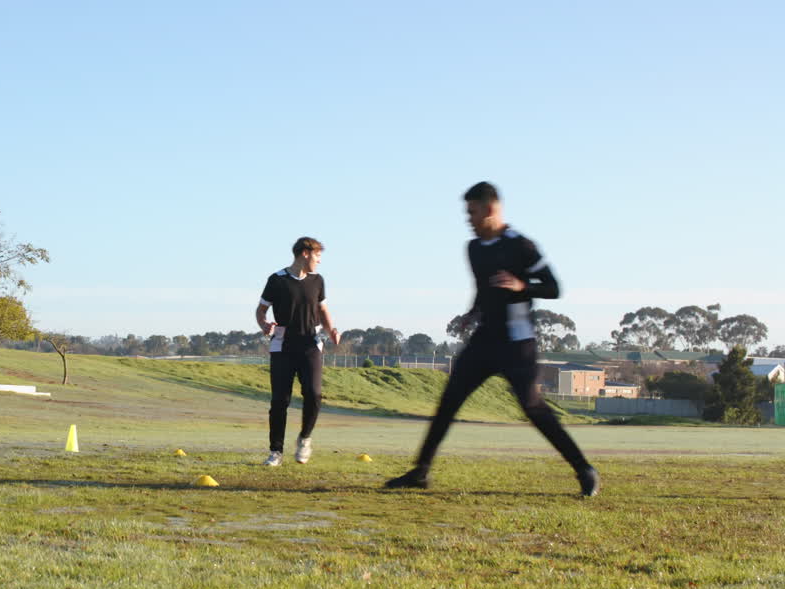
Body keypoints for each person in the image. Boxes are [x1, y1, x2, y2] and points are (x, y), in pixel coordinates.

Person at [385, 182, 600, 496]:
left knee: (532, 407)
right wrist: (471, 313)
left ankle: (585, 470)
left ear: (489, 209)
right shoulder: (473, 248)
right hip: (484, 341)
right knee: (448, 402)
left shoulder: (522, 246)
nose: (468, 218)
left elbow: (554, 288)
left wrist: (521, 286)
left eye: (472, 212)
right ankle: (420, 472)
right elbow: (483, 290)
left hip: (518, 344)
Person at [255, 237, 341, 466]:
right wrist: (264, 324)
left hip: (310, 344)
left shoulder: (317, 280)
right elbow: (261, 310)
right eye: (318, 256)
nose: (319, 261)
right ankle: (276, 452)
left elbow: (322, 309)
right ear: (305, 253)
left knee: (313, 394)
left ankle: (305, 438)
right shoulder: (277, 280)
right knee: (279, 401)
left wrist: (331, 329)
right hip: (282, 345)